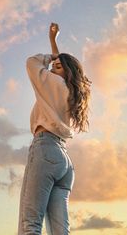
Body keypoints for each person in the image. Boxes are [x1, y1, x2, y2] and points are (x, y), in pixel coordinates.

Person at [17, 23, 92, 235]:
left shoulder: (51, 84)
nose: (50, 69)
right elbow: (61, 67)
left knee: (30, 224)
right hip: (64, 163)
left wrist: (50, 55)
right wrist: (54, 41)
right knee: (60, 231)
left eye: (56, 67)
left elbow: (31, 62)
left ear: (65, 72)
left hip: (45, 151)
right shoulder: (72, 93)